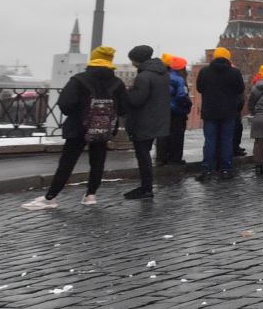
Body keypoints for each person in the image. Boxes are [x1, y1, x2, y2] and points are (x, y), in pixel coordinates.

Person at [24, 45, 125, 208]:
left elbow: (65, 104)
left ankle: (50, 198)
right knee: (98, 161)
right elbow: (124, 107)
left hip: (78, 127)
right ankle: (91, 195)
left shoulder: (79, 80)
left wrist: (80, 114)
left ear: (93, 59)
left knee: (68, 162)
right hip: (104, 128)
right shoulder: (117, 83)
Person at [121, 46, 169, 200]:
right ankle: (146, 186)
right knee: (145, 154)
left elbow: (136, 100)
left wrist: (127, 93)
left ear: (137, 60)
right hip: (157, 119)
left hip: (143, 121)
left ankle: (146, 188)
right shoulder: (162, 73)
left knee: (143, 156)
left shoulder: (143, 77)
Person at [196, 48, 245, 179]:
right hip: (229, 112)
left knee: (210, 141)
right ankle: (225, 169)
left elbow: (199, 88)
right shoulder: (234, 72)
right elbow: (240, 89)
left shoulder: (204, 71)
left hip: (210, 111)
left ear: (214, 57)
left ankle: (206, 169)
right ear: (228, 58)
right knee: (226, 141)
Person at [157, 55, 192, 164]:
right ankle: (175, 159)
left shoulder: (161, 77)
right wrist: (188, 105)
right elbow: (182, 95)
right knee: (177, 136)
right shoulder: (179, 79)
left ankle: (161, 158)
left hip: (162, 110)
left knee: (163, 135)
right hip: (177, 111)